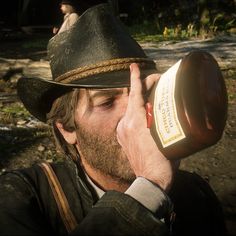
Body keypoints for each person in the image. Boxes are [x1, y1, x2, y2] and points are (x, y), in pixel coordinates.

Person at [0, 3, 227, 236]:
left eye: (144, 94)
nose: (135, 116)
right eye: (107, 102)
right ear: (67, 128)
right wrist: (149, 189)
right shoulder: (22, 199)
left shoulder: (195, 195)